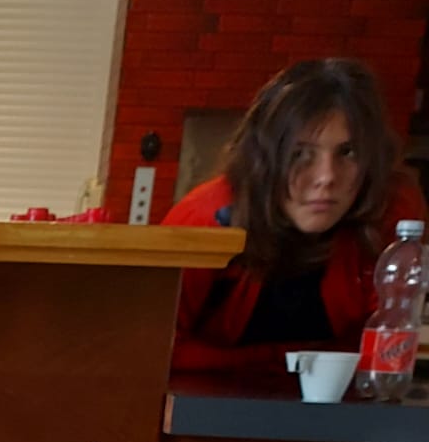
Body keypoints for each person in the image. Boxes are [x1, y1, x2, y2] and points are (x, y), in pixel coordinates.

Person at [162, 57, 426, 376]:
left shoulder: (390, 211)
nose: (326, 177)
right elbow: (152, 347)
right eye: (300, 154)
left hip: (337, 401)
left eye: (347, 152)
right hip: (199, 396)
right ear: (264, 160)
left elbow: (385, 348)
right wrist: (286, 359)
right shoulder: (204, 219)